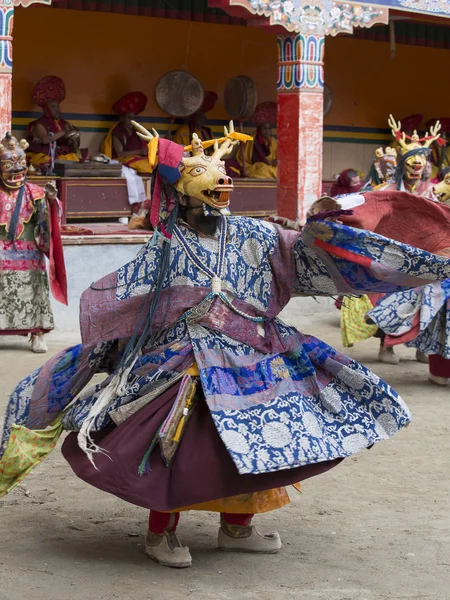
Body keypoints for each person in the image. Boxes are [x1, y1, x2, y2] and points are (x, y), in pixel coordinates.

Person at [2, 122, 450, 570]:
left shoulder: (257, 234)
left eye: (221, 171)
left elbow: (306, 257)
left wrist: (335, 220)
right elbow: (130, 298)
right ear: (180, 190)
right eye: (205, 172)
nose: (221, 179)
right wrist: (118, 347)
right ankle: (162, 533)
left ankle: (237, 526)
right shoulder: (167, 243)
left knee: (252, 440)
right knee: (178, 446)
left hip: (253, 352)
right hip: (187, 359)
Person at [339, 115, 445, 364]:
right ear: (404, 165)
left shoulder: (431, 191)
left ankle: (421, 347)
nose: (417, 169)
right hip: (393, 254)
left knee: (428, 300)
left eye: (421, 165)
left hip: (427, 255)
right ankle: (386, 347)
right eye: (412, 164)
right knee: (389, 299)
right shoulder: (387, 190)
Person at [0, 133, 67, 353]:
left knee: (35, 287)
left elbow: (49, 222)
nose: (15, 172)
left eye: (20, 166)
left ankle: (37, 333)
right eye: (9, 166)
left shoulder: (35, 193)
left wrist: (50, 200)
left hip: (29, 254)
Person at [26, 76, 85, 171]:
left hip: (61, 153)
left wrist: (74, 137)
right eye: (53, 107)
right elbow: (45, 140)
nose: (57, 109)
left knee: (76, 158)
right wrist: (64, 132)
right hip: (45, 154)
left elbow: (74, 138)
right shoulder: (39, 124)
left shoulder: (64, 123)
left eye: (58, 107)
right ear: (46, 110)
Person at [101, 92, 151, 173]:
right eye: (129, 118)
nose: (132, 121)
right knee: (141, 164)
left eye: (134, 118)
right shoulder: (118, 132)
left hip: (136, 159)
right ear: (122, 118)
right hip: (121, 160)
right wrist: (140, 151)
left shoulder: (137, 131)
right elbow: (120, 154)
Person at [238, 102, 278, 179]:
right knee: (263, 169)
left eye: (269, 128)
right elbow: (254, 160)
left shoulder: (273, 141)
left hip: (270, 166)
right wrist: (269, 162)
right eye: (264, 128)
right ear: (259, 130)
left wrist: (275, 162)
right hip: (255, 166)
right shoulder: (253, 140)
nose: (267, 131)